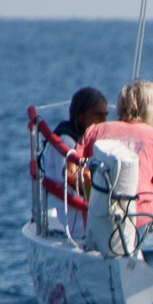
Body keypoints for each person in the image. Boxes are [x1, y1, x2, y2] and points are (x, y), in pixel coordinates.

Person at [68, 79, 153, 273]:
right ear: (149, 109)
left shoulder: (95, 131)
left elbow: (71, 167)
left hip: (102, 224)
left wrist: (84, 185)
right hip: (141, 226)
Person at [40, 87, 108, 240]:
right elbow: (74, 184)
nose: (103, 122)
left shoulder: (82, 139)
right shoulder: (66, 142)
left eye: (105, 115)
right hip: (77, 223)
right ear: (81, 116)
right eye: (98, 115)